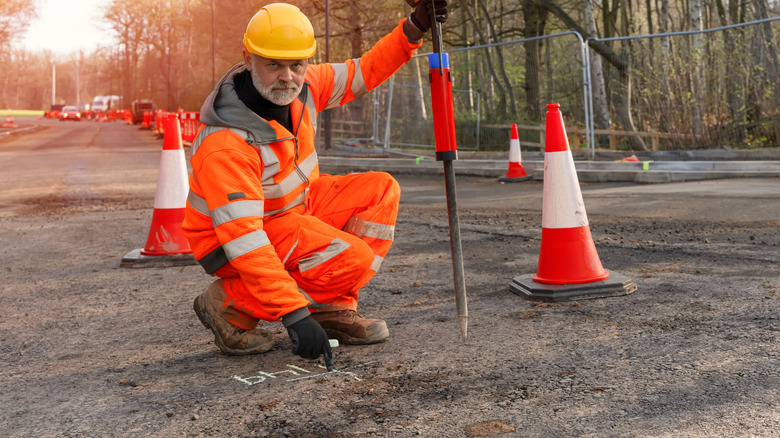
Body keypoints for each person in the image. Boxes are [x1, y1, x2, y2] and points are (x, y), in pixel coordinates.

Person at [183, 1, 448, 367]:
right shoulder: (226, 144)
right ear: (248, 59)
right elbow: (246, 240)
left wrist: (415, 27)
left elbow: (365, 71)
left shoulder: (306, 87)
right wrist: (294, 314)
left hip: (293, 211)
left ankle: (333, 307)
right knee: (353, 257)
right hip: (232, 242)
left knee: (381, 190)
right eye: (273, 64)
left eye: (296, 64)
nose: (287, 76)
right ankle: (230, 303)